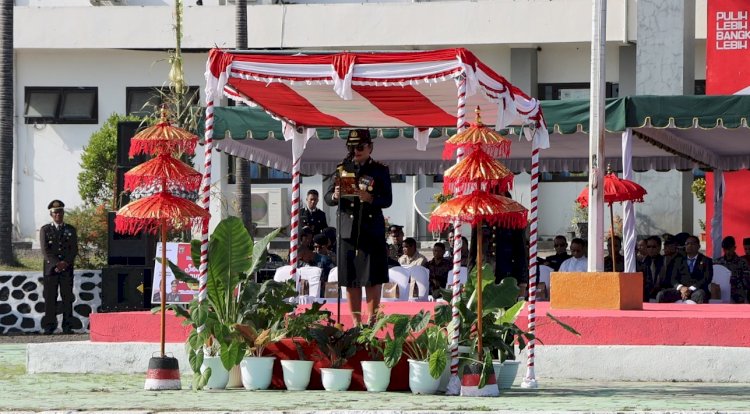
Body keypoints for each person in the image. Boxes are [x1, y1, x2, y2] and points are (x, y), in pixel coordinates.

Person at [324, 129, 392, 325]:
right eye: (353, 147)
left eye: (361, 147)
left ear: (370, 147)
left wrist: (370, 198)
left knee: (371, 278)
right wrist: (335, 195)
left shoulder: (379, 170)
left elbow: (387, 199)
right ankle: (355, 322)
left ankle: (371, 321)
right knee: (351, 279)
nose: (357, 151)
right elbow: (328, 198)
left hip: (371, 230)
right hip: (348, 231)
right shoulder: (342, 169)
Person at [39, 200, 78, 335]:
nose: (58, 215)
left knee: (67, 298)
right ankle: (49, 326)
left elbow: (73, 249)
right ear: (51, 214)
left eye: (60, 212)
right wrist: (57, 264)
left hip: (66, 269)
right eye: (55, 213)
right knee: (50, 299)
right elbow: (45, 250)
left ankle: (67, 326)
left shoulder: (70, 230)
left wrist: (65, 263)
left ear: (63, 213)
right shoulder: (45, 230)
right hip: (51, 270)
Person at [657, 235, 712, 304]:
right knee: (661, 295)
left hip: (696, 290)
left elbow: (707, 278)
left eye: (692, 244)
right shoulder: (678, 260)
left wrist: (690, 289)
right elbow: (673, 279)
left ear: (698, 246)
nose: (689, 246)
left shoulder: (706, 261)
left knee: (701, 295)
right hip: (680, 290)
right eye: (687, 244)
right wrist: (681, 288)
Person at [714, 236, 750, 304]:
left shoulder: (742, 262)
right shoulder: (717, 262)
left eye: (729, 249)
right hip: (721, 292)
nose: (727, 252)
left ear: (734, 248)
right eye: (725, 249)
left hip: (738, 294)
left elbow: (746, 281)